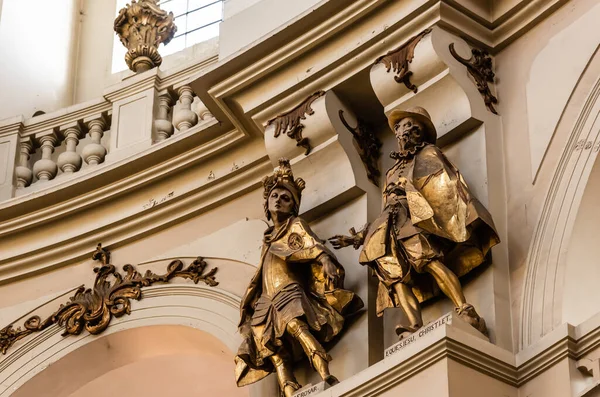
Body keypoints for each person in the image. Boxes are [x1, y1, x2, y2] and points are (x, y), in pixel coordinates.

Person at [329, 107, 499, 337]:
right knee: (396, 278)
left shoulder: (428, 153)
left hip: (413, 219)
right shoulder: (390, 172)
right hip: (388, 228)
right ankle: (415, 324)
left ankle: (464, 308)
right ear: (397, 132)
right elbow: (384, 208)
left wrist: (409, 190)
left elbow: (444, 184)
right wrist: (358, 236)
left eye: (415, 128)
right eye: (405, 126)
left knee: (429, 261)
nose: (409, 131)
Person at [235, 158, 363, 397]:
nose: (279, 201)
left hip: (288, 289)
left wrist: (325, 260)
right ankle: (289, 388)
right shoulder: (268, 238)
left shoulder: (295, 224)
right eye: (275, 196)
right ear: (267, 203)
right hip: (266, 298)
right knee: (270, 347)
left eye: (286, 198)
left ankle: (324, 372)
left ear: (292, 206)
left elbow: (311, 244)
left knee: (297, 327)